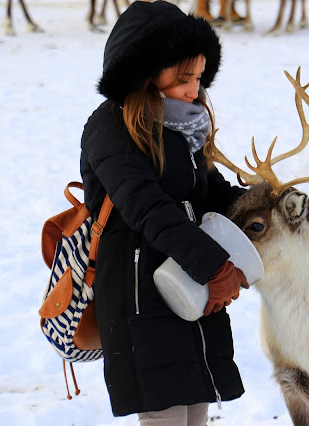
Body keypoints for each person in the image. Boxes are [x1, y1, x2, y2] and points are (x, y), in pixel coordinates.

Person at [79, 1, 250, 424]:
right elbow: (149, 209)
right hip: (141, 298)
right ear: (145, 73)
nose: (195, 90)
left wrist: (272, 206)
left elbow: (210, 193)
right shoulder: (111, 130)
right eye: (183, 78)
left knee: (194, 412)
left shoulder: (181, 128)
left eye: (199, 77)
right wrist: (214, 267)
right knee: (164, 416)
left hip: (188, 287)